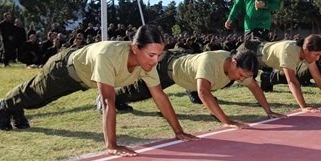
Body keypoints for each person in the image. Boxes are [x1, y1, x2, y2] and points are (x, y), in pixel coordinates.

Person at [0, 24, 197, 156]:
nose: (156, 60)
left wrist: (178, 132)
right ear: (135, 48)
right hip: (65, 70)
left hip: (84, 78)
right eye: (151, 54)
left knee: (36, 100)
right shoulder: (109, 55)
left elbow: (159, 96)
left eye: (159, 55)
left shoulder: (147, 65)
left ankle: (15, 109)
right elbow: (108, 101)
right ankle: (4, 106)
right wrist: (112, 145)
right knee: (36, 96)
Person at [109, 49, 286, 128]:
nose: (241, 80)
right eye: (241, 75)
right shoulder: (211, 61)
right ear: (233, 62)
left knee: (203, 91)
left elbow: (254, 87)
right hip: (168, 69)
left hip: (191, 74)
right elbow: (204, 92)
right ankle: (110, 99)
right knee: (138, 92)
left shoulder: (240, 70)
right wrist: (227, 121)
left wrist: (269, 111)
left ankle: (190, 89)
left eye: (245, 77)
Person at [243, 35, 321, 111]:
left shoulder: (307, 53)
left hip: (261, 58)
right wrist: (304, 107)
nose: (317, 58)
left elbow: (317, 77)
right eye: (316, 55)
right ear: (306, 49)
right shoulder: (289, 51)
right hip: (250, 52)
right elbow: (291, 81)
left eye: (319, 55)